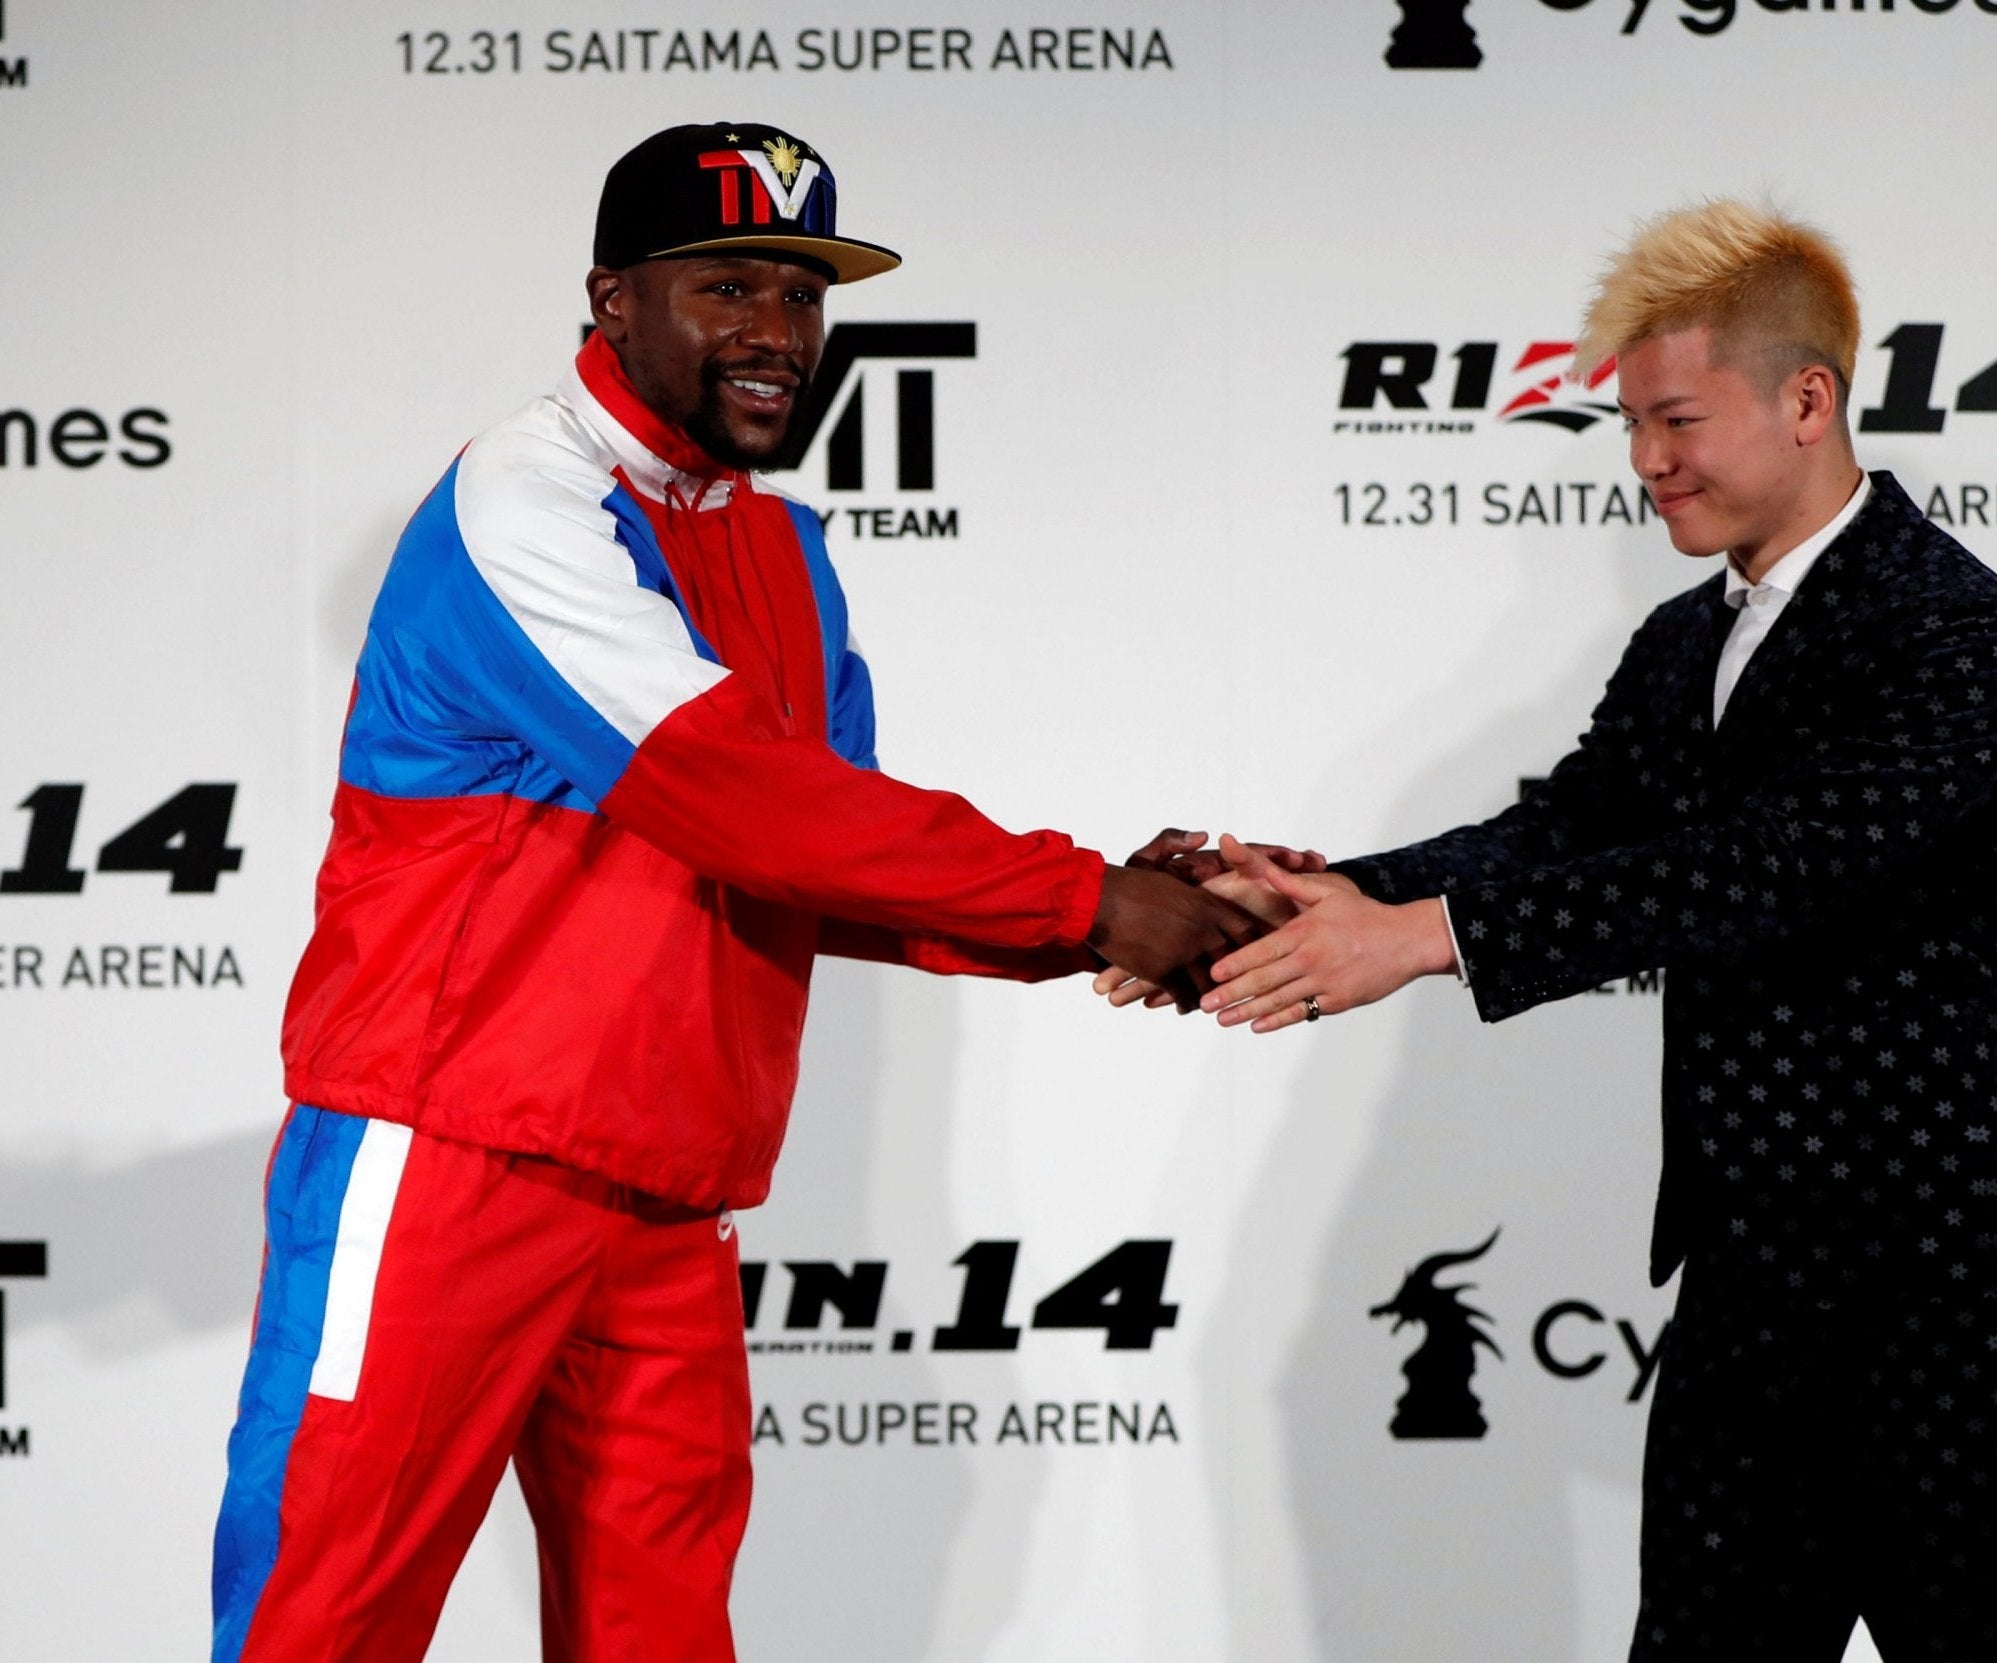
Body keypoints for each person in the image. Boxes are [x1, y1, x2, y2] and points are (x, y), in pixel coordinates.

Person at [209, 122, 1263, 1663]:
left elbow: (828, 862)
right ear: (611, 298)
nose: (777, 334)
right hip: (443, 1159)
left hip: (667, 1190)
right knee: (328, 1623)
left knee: (661, 1636)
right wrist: (1090, 900)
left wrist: (1100, 920)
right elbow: (739, 794)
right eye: (726, 287)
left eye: (802, 293)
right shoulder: (520, 502)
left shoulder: (781, 543)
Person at [1113, 201, 1997, 1661]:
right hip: (1750, 1286)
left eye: (1676, 420)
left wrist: (1428, 938)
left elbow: (1769, 871)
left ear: (1806, 398)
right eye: (1630, 426)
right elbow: (1565, 832)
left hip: (1949, 1283)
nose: (1645, 462)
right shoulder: (1683, 638)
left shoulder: (1952, 630)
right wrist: (1330, 892)